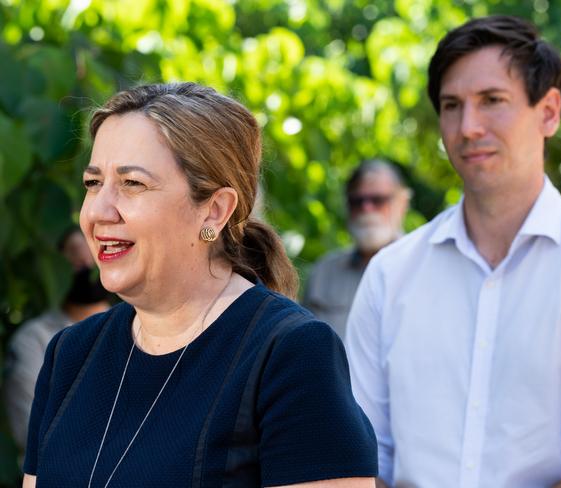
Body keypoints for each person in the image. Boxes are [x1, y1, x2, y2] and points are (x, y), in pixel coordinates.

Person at [346, 15, 561, 488]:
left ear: (548, 111)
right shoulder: (390, 275)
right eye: (451, 106)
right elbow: (363, 462)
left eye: (492, 101)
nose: (468, 127)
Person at [23, 83, 377, 488]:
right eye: (92, 183)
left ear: (214, 211)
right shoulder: (71, 355)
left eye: (132, 184)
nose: (99, 211)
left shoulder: (290, 354)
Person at [3, 228, 111, 452]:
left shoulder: (140, 327)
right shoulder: (34, 339)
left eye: (93, 252)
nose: (86, 263)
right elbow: (28, 429)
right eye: (75, 255)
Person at [303, 159, 410, 338]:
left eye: (378, 200)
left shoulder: (424, 267)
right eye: (357, 201)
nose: (367, 209)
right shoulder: (324, 273)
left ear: (402, 204)